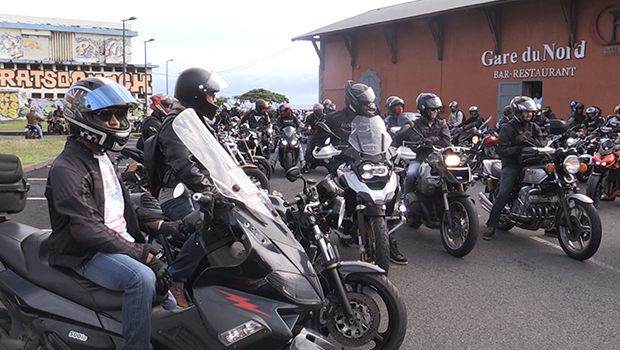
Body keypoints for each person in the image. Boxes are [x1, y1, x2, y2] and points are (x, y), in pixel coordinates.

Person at [46, 77, 182, 350]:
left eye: (119, 114)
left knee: (167, 300)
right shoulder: (67, 168)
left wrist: (166, 226)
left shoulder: (102, 157)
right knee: (141, 279)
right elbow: (87, 229)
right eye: (105, 115)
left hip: (113, 243)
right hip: (84, 251)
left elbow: (120, 208)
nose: (116, 122)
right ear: (81, 117)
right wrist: (143, 254)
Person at [153, 67, 229, 308]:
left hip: (197, 192)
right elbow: (184, 166)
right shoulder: (175, 124)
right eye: (211, 96)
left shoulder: (193, 120)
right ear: (197, 95)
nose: (214, 101)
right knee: (209, 226)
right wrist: (214, 192)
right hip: (177, 193)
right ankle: (176, 280)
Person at [483, 96, 543, 240]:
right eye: (526, 112)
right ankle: (491, 225)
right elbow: (502, 150)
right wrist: (519, 149)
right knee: (504, 194)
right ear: (517, 112)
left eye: (530, 112)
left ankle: (554, 226)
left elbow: (542, 144)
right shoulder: (508, 128)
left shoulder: (535, 127)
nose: (529, 115)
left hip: (531, 163)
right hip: (512, 165)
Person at [271, 103, 306, 171]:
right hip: (283, 135)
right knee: (277, 147)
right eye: (281, 111)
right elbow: (276, 124)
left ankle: (303, 163)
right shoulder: (280, 118)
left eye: (283, 111)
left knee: (300, 147)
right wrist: (277, 129)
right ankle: (273, 163)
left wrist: (299, 131)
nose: (282, 112)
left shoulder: (293, 116)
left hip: (293, 135)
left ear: (287, 110)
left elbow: (299, 125)